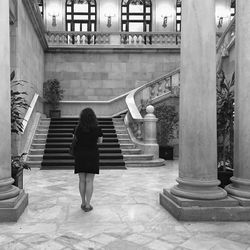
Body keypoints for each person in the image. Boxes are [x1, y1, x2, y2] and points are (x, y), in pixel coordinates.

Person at [73, 108, 103, 212]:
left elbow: (75, 140)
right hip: (92, 154)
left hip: (80, 154)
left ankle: (82, 202)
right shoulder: (98, 128)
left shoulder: (77, 128)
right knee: (89, 180)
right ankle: (88, 205)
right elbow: (100, 142)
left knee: (81, 180)